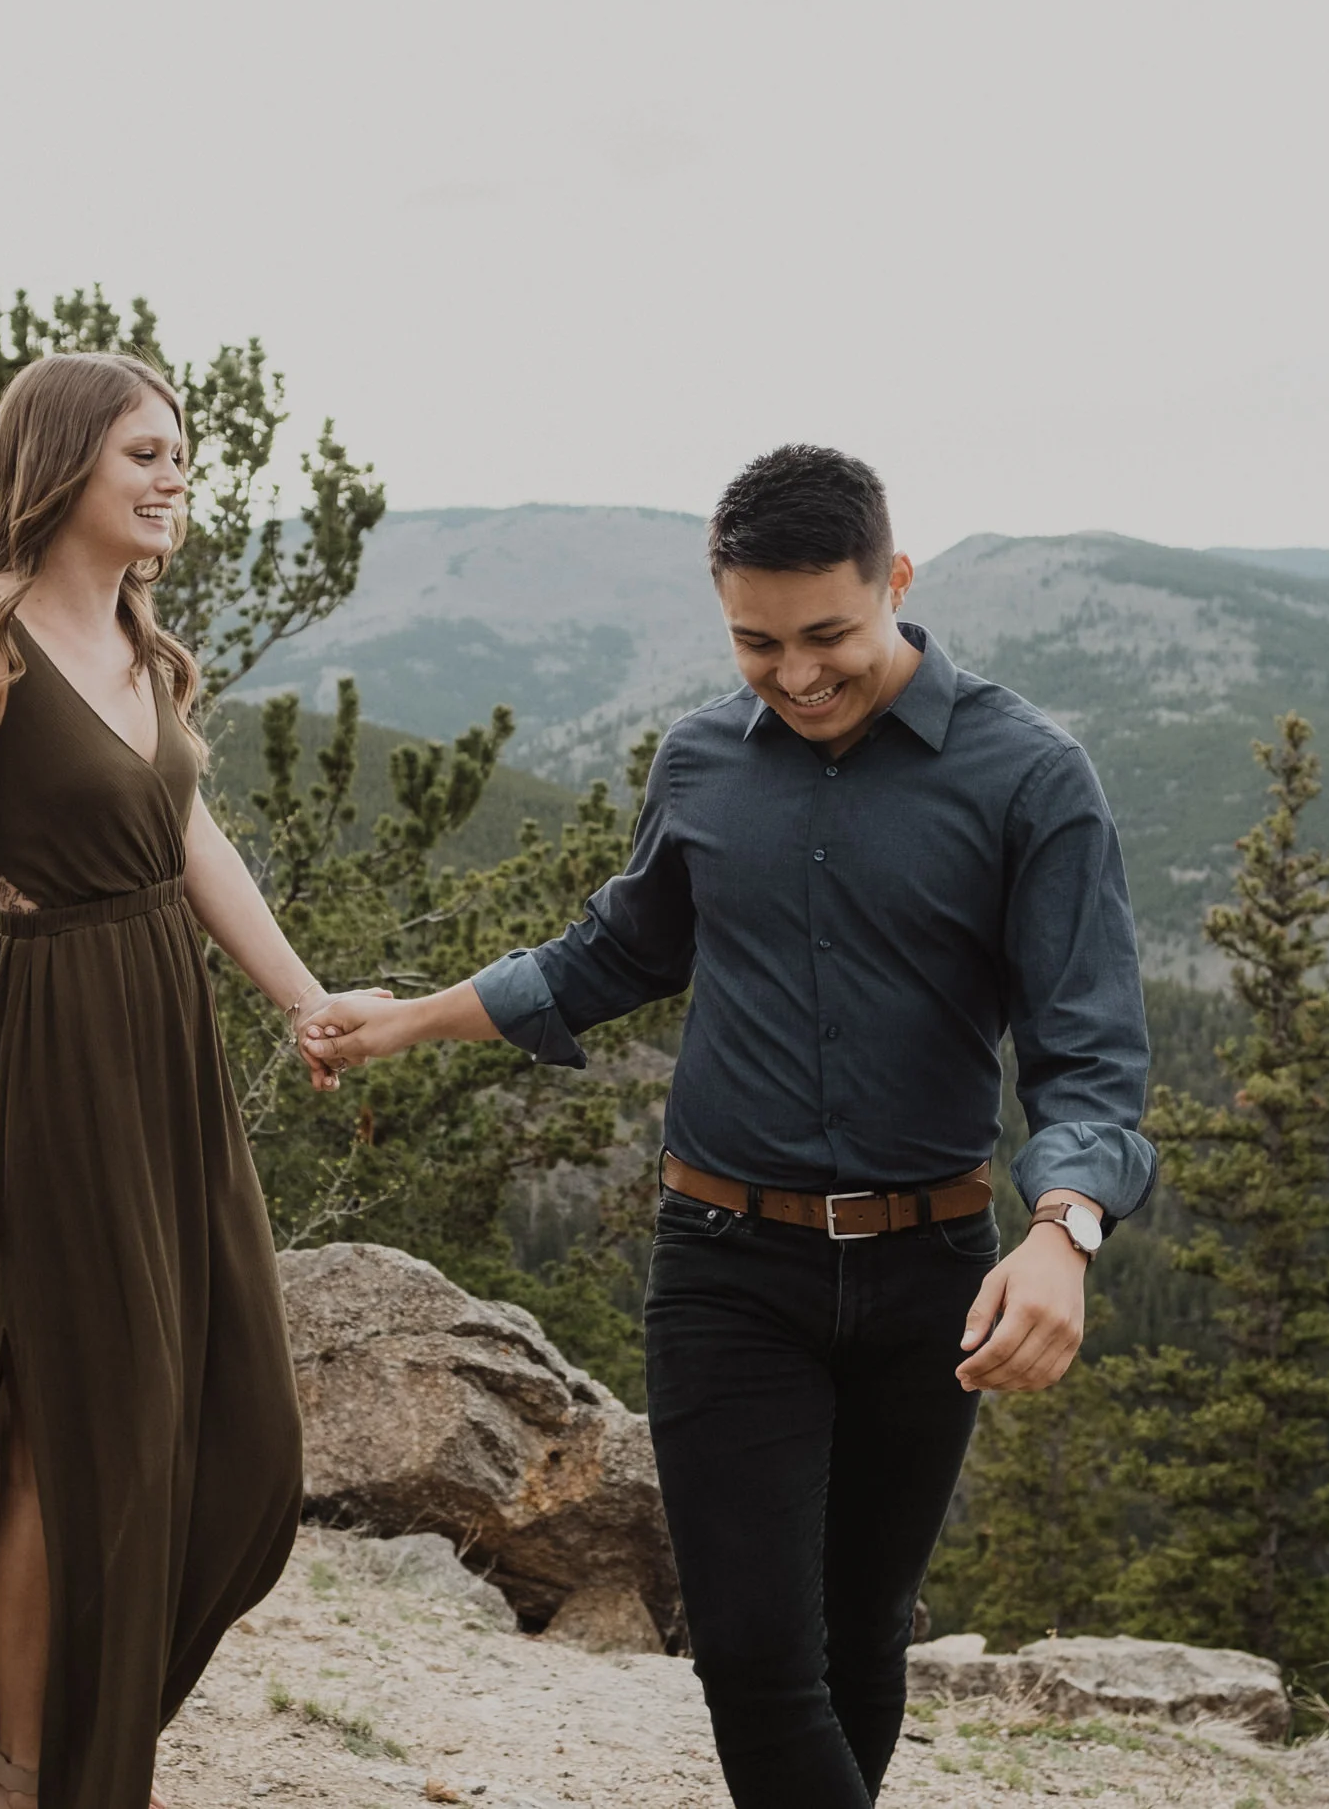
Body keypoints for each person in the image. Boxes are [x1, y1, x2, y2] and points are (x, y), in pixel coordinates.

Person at [301, 444, 1157, 1808]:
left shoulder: (1031, 776)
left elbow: (1090, 1051)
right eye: (759, 643)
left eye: (831, 635)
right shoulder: (701, 759)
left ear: (899, 582)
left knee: (860, 1634)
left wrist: (1067, 1229)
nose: (800, 674)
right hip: (725, 1266)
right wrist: (404, 1017)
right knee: (756, 1653)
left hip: (932, 1270)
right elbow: (610, 954)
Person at [0, 351, 338, 1809]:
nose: (174, 481)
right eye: (145, 456)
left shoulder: (140, 634)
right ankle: (33, 1771)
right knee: (59, 1437)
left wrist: (306, 1000)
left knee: (240, 1444)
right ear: (63, 463)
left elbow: (190, 839)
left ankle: (83, 1725)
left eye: (180, 458)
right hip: (52, 1050)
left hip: (168, 1048)